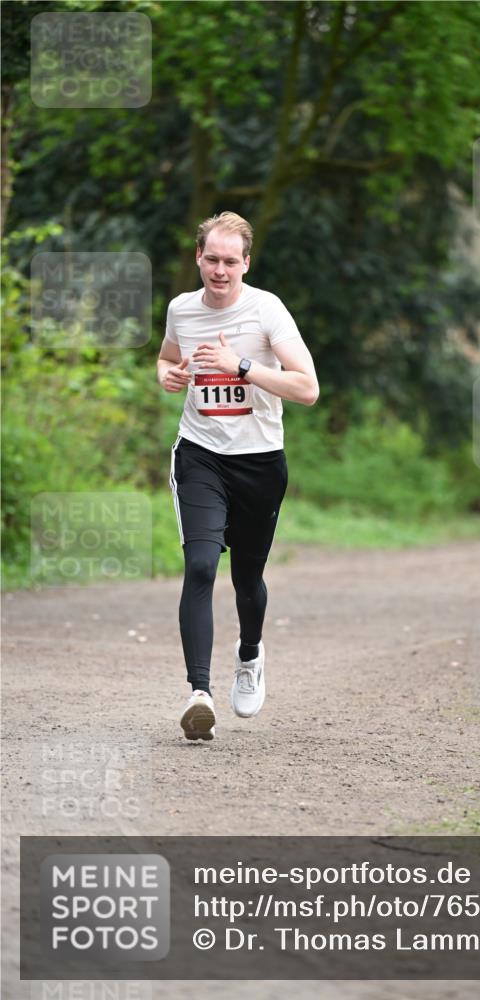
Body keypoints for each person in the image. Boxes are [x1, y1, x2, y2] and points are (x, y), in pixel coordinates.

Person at [157, 212, 319, 741]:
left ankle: (249, 655)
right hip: (200, 454)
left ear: (245, 262)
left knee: (247, 578)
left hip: (259, 462)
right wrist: (171, 376)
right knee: (201, 565)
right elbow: (166, 359)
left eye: (231, 261)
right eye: (211, 259)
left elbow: (307, 388)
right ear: (198, 258)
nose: (220, 270)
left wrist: (241, 366)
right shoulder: (182, 309)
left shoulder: (266, 309)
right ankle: (198, 693)